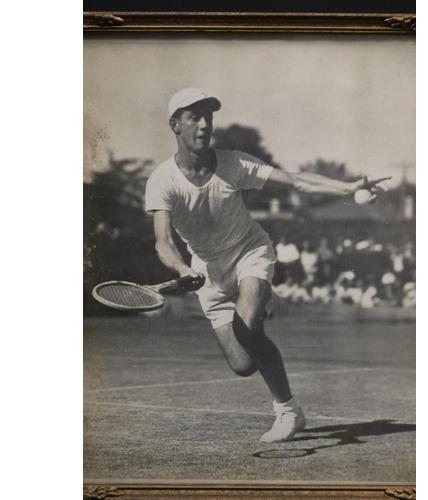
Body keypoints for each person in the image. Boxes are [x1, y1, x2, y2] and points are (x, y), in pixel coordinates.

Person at [145, 87, 389, 443]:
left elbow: (296, 180)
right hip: (207, 271)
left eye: (208, 117)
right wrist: (184, 270)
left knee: (247, 329)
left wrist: (348, 188)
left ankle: (287, 412)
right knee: (243, 364)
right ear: (175, 125)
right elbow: (163, 242)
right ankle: (259, 307)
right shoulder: (162, 180)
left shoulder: (234, 163)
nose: (204, 125)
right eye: (194, 117)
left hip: (250, 251)